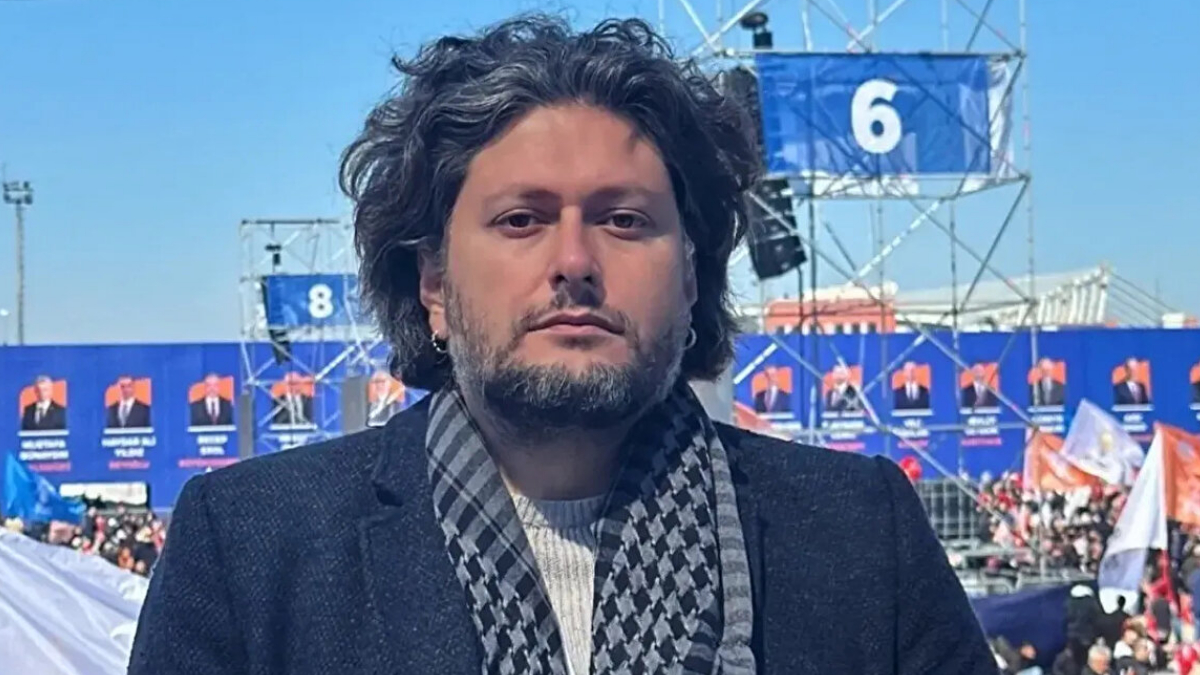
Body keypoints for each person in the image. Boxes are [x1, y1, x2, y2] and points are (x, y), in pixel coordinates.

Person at [129, 16, 993, 675]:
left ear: (692, 277)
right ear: (433, 283)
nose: (574, 261)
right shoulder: (251, 549)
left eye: (624, 220)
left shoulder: (860, 535)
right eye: (520, 220)